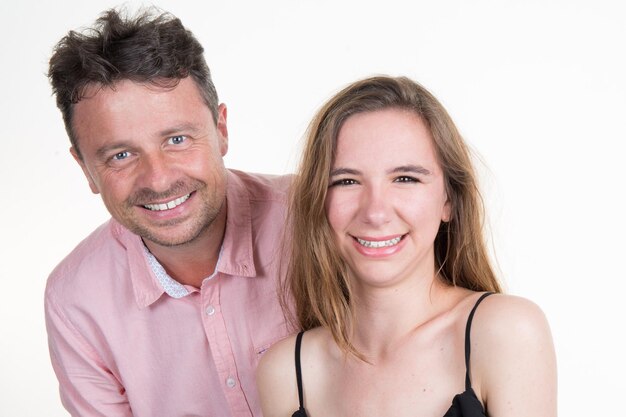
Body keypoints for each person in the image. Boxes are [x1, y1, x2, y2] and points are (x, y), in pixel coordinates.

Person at [256, 76, 557, 417]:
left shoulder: (506, 332)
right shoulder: (285, 374)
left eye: (405, 179)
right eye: (347, 181)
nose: (376, 212)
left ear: (449, 202)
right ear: (319, 203)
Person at [45, 8, 291, 417]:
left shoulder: (320, 218)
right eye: (121, 154)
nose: (158, 180)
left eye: (177, 139)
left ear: (221, 129)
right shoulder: (75, 301)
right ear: (85, 169)